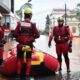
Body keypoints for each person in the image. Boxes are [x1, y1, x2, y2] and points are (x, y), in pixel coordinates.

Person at [13, 8, 40, 77]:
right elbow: (38, 35)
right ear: (30, 16)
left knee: (19, 59)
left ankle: (18, 74)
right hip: (29, 45)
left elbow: (15, 34)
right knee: (28, 60)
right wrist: (32, 38)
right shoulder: (33, 25)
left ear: (24, 15)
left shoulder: (19, 24)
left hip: (20, 45)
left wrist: (19, 37)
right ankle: (27, 75)